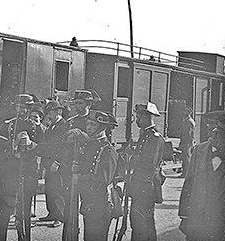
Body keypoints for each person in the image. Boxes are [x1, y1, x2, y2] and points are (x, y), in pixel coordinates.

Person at [0, 94, 42, 241]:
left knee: (24, 214)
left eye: (25, 108)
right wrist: (13, 143)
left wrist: (31, 144)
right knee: (4, 213)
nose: (22, 111)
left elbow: (45, 148)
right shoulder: (8, 125)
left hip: (28, 174)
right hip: (9, 175)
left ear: (30, 109)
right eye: (19, 107)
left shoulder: (37, 127)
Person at [61, 110, 118, 241]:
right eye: (88, 123)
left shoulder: (108, 150)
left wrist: (78, 177)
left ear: (102, 127)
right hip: (89, 202)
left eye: (93, 124)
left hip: (100, 203)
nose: (89, 127)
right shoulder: (89, 145)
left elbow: (103, 180)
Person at [178, 110, 225, 241]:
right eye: (217, 133)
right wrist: (184, 216)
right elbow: (189, 183)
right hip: (198, 218)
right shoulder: (199, 151)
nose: (215, 136)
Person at [128, 102, 165, 241]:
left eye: (139, 118)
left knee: (143, 222)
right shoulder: (146, 135)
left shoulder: (154, 138)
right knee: (138, 222)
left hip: (146, 186)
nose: (137, 120)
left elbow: (148, 164)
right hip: (141, 185)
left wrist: (131, 160)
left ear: (148, 117)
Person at [38, 100, 69, 227]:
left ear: (59, 112)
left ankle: (59, 217)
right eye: (48, 111)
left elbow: (64, 147)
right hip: (48, 162)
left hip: (56, 163)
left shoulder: (64, 125)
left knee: (57, 189)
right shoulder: (52, 125)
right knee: (49, 188)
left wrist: (57, 162)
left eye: (52, 111)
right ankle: (51, 213)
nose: (49, 114)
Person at [179, 106, 195, 177]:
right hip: (185, 141)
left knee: (186, 158)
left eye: (185, 111)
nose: (183, 112)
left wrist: (189, 143)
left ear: (189, 112)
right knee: (185, 157)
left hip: (187, 141)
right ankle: (184, 173)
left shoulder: (189, 121)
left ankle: (186, 174)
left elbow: (190, 133)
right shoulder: (186, 120)